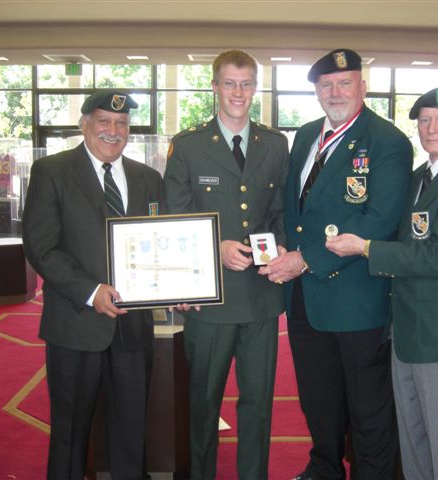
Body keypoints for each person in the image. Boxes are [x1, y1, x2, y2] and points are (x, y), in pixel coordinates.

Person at [326, 87, 438, 480]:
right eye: (424, 121)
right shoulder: (420, 177)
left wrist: (366, 247)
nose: (432, 128)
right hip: (407, 335)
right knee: (416, 446)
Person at [262, 48, 413, 479]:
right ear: (316, 92)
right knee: (318, 396)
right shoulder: (307, 134)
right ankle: (324, 468)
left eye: (344, 83)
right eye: (325, 85)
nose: (335, 91)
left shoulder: (387, 142)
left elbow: (378, 222)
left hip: (355, 297)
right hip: (305, 297)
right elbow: (297, 212)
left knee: (367, 403)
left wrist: (303, 261)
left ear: (362, 87)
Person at [22, 91, 167, 479]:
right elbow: (41, 247)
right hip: (75, 323)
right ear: (84, 124)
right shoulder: (52, 171)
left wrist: (176, 288)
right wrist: (91, 290)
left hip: (133, 326)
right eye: (103, 121)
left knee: (131, 429)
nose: (113, 130)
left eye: (121, 124)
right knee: (70, 431)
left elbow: (160, 242)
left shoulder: (148, 178)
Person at [163, 50, 289, 479]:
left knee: (258, 406)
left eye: (247, 83)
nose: (238, 92)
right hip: (210, 300)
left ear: (256, 87)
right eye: (230, 83)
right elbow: (175, 218)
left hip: (261, 297)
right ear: (214, 86)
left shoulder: (275, 143)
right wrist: (215, 246)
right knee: (204, 403)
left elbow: (279, 215)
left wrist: (275, 253)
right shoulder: (189, 145)